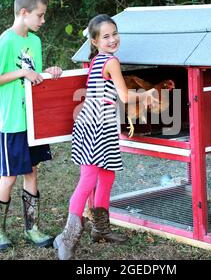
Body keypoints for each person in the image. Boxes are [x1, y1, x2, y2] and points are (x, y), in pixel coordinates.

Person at [53, 14, 157, 260]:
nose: (112, 40)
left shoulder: (97, 61)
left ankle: (100, 229)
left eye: (115, 34)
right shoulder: (111, 62)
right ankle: (66, 237)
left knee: (107, 176)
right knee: (89, 179)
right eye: (106, 36)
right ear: (95, 41)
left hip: (104, 125)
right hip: (94, 125)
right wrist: (149, 93)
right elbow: (125, 96)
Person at [0, 0, 62, 251]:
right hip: (12, 123)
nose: (43, 20)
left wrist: (47, 73)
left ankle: (32, 228)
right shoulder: (5, 41)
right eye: (40, 15)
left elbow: (34, 76)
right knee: (10, 177)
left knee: (32, 172)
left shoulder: (36, 42)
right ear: (24, 13)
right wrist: (20, 73)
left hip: (33, 122)